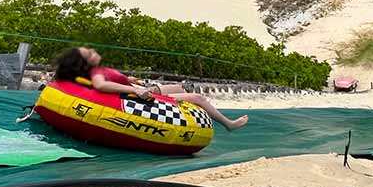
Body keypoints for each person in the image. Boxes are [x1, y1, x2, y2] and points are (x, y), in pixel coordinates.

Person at [53, 47, 248, 131]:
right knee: (198, 98)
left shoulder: (97, 69)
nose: (94, 53)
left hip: (142, 88)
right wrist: (136, 90)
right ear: (84, 62)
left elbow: (110, 77)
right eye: (90, 53)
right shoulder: (95, 72)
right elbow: (101, 85)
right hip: (141, 96)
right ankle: (228, 124)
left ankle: (180, 95)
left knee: (179, 86)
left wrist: (130, 80)